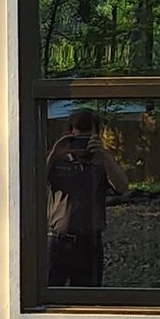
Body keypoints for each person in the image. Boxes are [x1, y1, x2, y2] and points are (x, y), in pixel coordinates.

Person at [45, 108, 129, 287]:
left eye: (87, 136)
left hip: (90, 244)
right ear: (70, 134)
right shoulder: (59, 161)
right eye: (78, 137)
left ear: (96, 135)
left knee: (87, 299)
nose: (82, 144)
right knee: (52, 297)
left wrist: (104, 154)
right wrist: (54, 155)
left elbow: (122, 186)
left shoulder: (100, 163)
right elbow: (32, 185)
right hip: (59, 242)